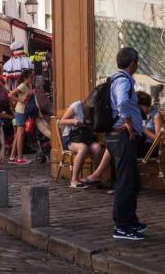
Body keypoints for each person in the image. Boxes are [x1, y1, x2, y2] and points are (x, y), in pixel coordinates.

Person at [107, 47, 145, 241]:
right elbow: (122, 103)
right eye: (137, 62)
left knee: (132, 181)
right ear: (133, 63)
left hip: (120, 136)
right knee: (125, 182)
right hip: (122, 136)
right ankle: (121, 226)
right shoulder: (123, 80)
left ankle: (130, 220)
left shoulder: (117, 79)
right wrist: (129, 123)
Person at [59, 99, 105, 188]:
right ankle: (74, 179)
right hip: (71, 138)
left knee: (97, 148)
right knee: (83, 148)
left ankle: (95, 176)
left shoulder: (94, 111)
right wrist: (73, 121)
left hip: (85, 137)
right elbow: (62, 121)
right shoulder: (76, 106)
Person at [8, 69, 35, 165]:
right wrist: (20, 100)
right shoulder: (22, 86)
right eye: (31, 77)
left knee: (18, 135)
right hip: (20, 111)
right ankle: (20, 158)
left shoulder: (29, 85)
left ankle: (12, 157)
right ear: (25, 78)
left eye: (33, 77)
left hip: (25, 111)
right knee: (21, 134)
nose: (32, 79)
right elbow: (10, 95)